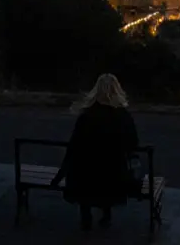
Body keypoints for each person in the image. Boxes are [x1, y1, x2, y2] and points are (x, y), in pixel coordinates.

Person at [51, 73, 140, 230]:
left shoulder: (87, 116)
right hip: (113, 175)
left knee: (83, 169)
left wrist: (60, 175)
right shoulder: (122, 116)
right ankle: (106, 214)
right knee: (110, 170)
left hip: (85, 175)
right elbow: (132, 144)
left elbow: (74, 147)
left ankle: (86, 215)